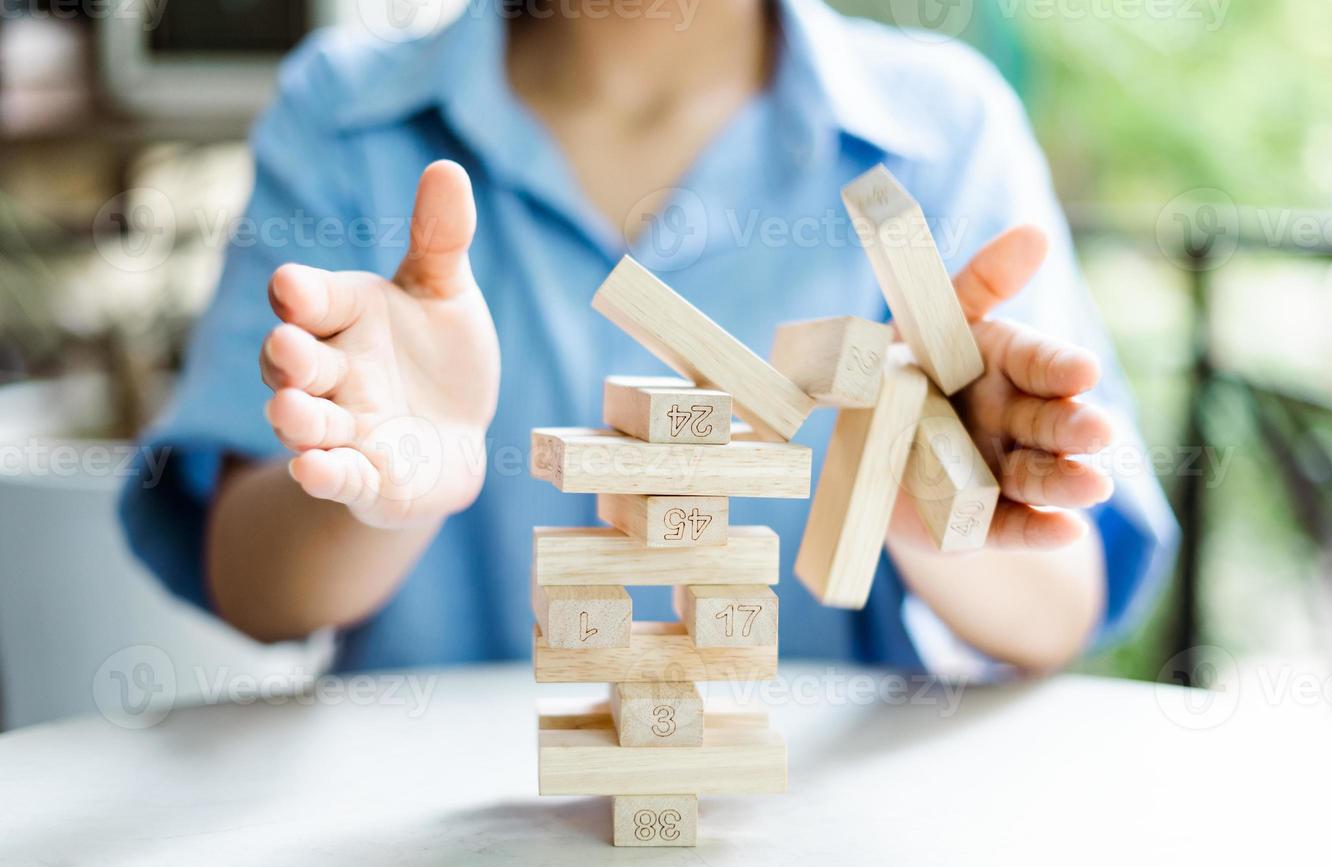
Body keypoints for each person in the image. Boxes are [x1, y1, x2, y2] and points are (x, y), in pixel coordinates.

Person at [121, 0, 1178, 677]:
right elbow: (252, 587)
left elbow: (1062, 607)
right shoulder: (344, 111)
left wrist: (923, 504)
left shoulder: (945, 126)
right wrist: (379, 494)